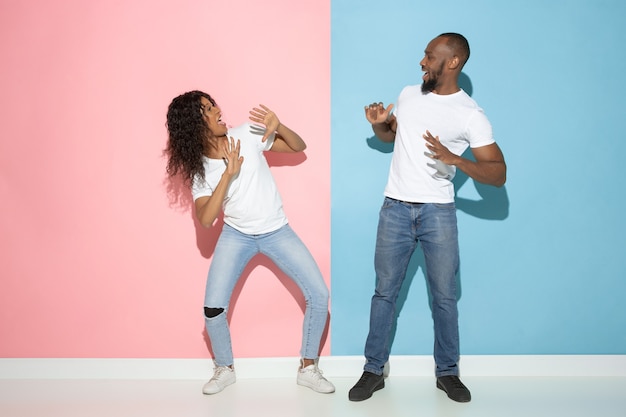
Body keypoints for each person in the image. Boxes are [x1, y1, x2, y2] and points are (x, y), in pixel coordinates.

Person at [348, 33, 506, 403]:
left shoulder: (470, 114)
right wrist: (379, 124)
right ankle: (374, 370)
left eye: (430, 56)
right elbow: (393, 137)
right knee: (384, 293)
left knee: (444, 298)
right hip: (395, 208)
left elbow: (497, 173)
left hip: (438, 212)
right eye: (424, 54)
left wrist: (457, 160)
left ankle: (448, 373)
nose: (422, 61)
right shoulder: (408, 94)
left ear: (452, 62)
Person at [165, 90, 335, 395]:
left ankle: (308, 368)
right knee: (213, 309)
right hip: (236, 235)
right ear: (194, 123)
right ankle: (224, 367)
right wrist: (227, 176)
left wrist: (279, 126)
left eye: (213, 103)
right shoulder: (200, 169)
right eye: (207, 109)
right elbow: (206, 219)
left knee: (319, 295)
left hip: (277, 230)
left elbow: (299, 147)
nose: (217, 109)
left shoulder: (246, 132)